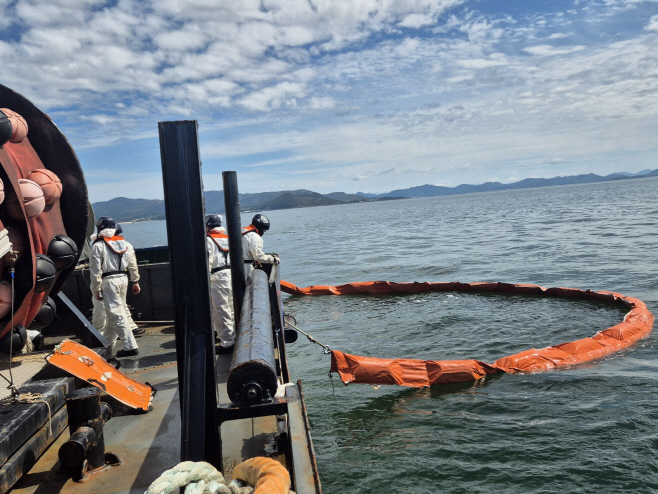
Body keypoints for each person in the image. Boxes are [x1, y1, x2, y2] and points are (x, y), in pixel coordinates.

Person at [89, 216, 141, 357]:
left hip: (109, 281)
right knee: (115, 312)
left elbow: (95, 270)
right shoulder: (126, 244)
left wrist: (96, 289)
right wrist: (135, 281)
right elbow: (133, 264)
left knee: (116, 314)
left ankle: (130, 347)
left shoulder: (98, 246)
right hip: (123, 279)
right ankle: (106, 344)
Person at [206, 214, 235, 352]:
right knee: (231, 308)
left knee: (221, 310)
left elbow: (208, 262)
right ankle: (233, 336)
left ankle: (228, 343)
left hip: (217, 278)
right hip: (230, 275)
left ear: (208, 226)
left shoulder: (208, 240)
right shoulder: (228, 238)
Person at [242, 213, 279, 277]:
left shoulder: (242, 231)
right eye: (264, 230)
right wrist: (273, 259)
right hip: (246, 269)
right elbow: (258, 257)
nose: (263, 232)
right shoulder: (254, 237)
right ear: (260, 228)